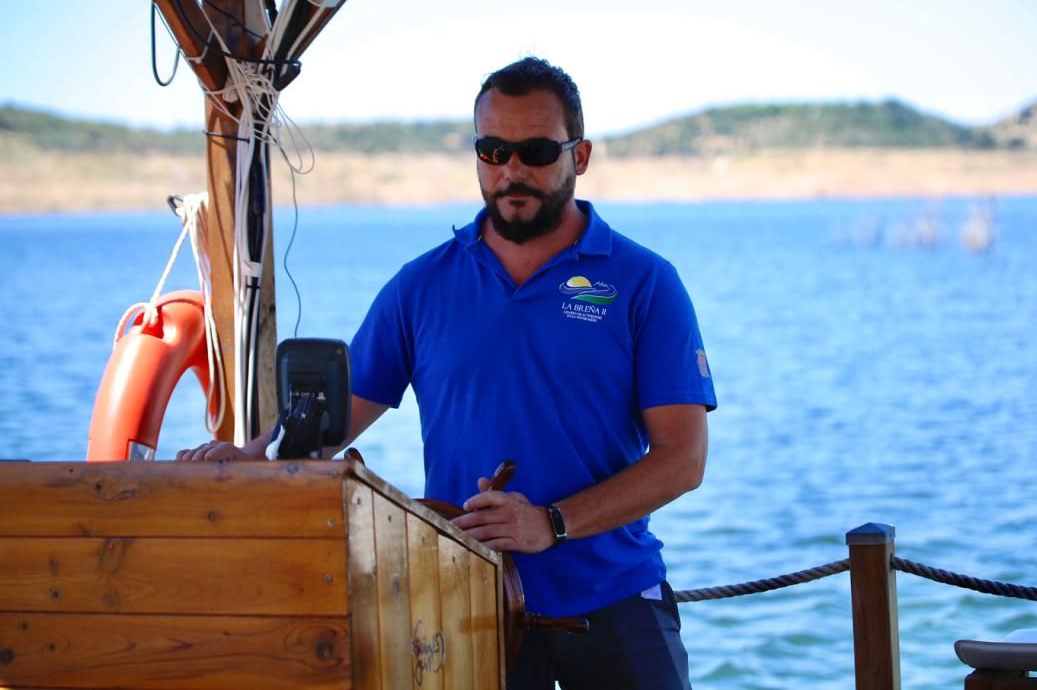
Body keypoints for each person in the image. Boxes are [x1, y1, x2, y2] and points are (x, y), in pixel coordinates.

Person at [178, 56, 717, 689]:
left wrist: (551, 523)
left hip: (616, 601)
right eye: (493, 150)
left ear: (582, 155)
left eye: (538, 150)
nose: (512, 170)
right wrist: (256, 458)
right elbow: (331, 420)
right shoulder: (421, 287)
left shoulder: (644, 282)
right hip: (467, 608)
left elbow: (683, 460)